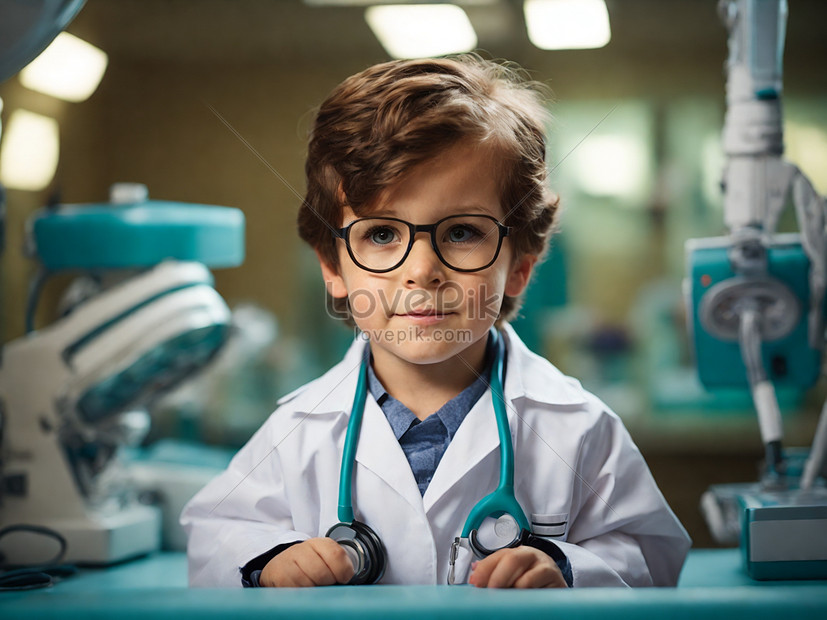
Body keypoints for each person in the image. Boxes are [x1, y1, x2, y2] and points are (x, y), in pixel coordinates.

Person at [181, 55, 691, 589]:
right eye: (381, 234)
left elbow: (651, 555)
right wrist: (271, 564)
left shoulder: (580, 426)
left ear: (519, 266)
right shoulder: (299, 429)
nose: (422, 270)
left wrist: (566, 568)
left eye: (463, 232)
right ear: (333, 268)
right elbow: (215, 536)